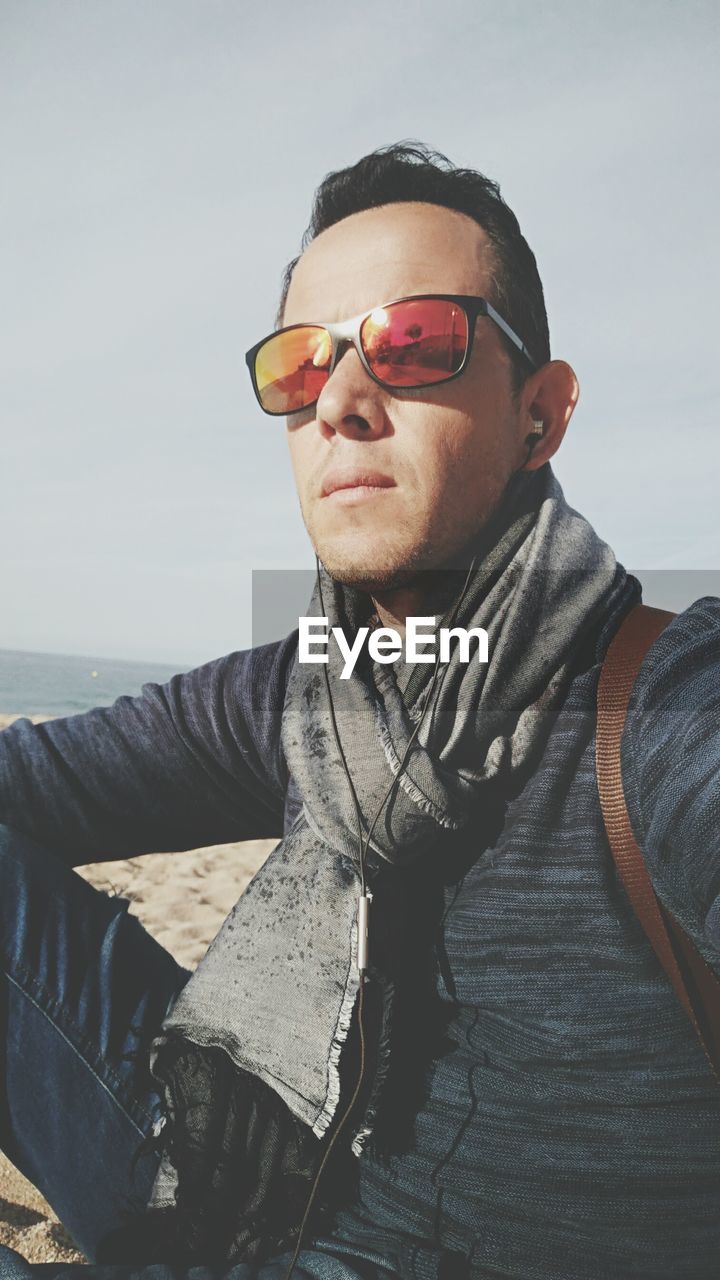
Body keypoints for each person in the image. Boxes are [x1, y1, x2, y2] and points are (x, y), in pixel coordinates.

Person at [0, 141, 719, 1280]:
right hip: (245, 1188)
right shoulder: (307, 689)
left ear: (542, 413)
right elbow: (30, 781)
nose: (339, 399)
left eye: (416, 341)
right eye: (300, 364)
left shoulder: (663, 699)